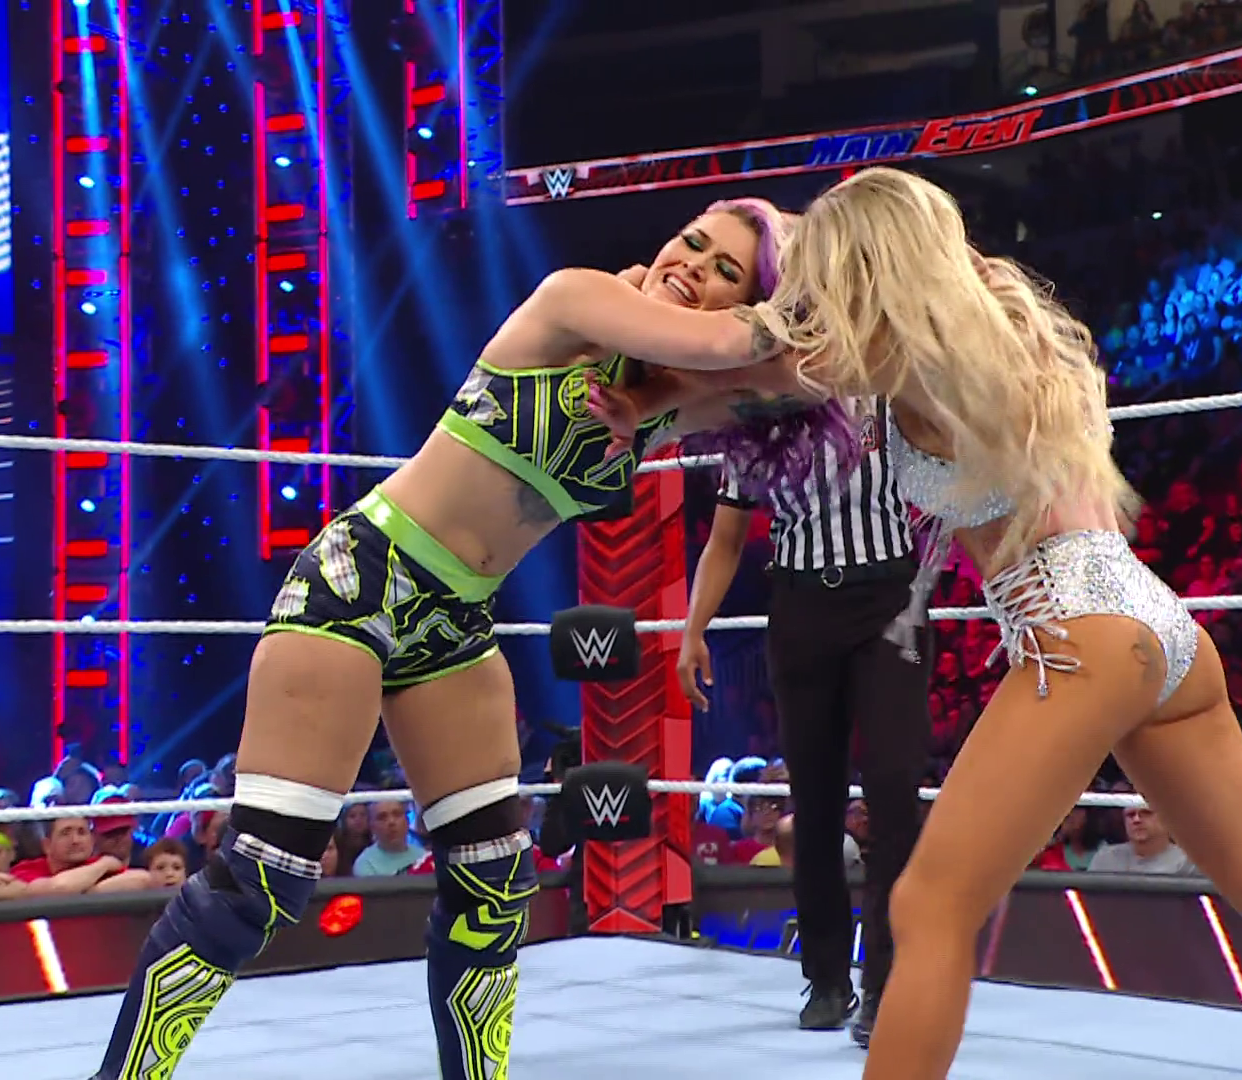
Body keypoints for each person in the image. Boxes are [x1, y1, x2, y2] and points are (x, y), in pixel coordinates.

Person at [593, 167, 1242, 1079]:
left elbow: (745, 362)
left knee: (930, 905)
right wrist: (651, 405)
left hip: (1076, 631)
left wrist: (636, 357)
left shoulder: (905, 355)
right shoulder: (993, 318)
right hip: (1153, 624)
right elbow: (756, 382)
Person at [87, 199, 853, 1080]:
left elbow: (818, 373)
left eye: (726, 271)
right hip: (361, 582)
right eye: (692, 242)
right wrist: (751, 328)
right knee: (261, 881)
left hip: (457, 620)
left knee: (493, 887)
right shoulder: (577, 298)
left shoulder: (660, 399)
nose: (693, 267)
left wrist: (663, 393)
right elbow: (735, 346)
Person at [682, 395, 925, 1042]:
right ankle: (826, 978)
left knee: (894, 788)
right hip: (800, 605)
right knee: (814, 801)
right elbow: (726, 538)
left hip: (888, 599)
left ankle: (888, 981)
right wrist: (693, 630)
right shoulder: (757, 417)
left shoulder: (886, 389)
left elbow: (955, 469)